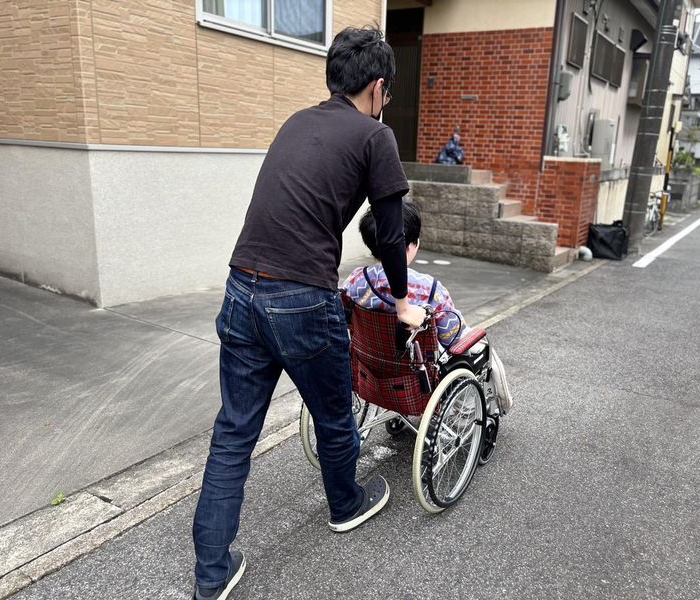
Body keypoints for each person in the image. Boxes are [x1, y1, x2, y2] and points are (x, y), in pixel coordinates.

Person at [191, 27, 426, 600]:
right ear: (378, 87)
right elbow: (391, 235)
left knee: (233, 432)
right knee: (334, 413)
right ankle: (346, 504)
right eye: (388, 93)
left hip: (241, 285)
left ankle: (211, 574)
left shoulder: (296, 121)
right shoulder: (375, 136)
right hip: (300, 297)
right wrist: (402, 302)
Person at [343, 200, 512, 415]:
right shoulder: (427, 288)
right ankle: (495, 406)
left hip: (371, 366)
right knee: (482, 347)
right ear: (412, 245)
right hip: (416, 378)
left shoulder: (355, 280)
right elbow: (452, 336)